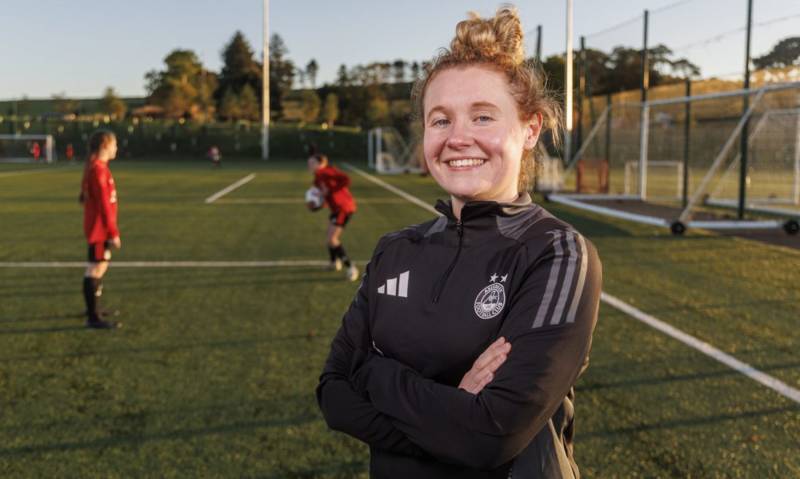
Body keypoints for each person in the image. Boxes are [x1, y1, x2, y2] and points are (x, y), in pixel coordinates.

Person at [316, 7, 602, 478]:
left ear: (529, 129)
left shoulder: (556, 252)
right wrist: (452, 406)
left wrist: (376, 374)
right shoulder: (395, 250)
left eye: (483, 116)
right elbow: (333, 394)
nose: (458, 138)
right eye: (440, 120)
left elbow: (492, 435)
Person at [79, 130, 122, 329]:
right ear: (105, 146)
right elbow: (104, 204)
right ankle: (92, 317)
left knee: (100, 266)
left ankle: (94, 308)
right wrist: (113, 232)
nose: (117, 148)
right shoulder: (97, 170)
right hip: (99, 229)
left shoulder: (99, 167)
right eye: (114, 144)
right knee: (95, 268)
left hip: (99, 227)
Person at [308, 153, 359, 281]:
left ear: (321, 163)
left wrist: (331, 190)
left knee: (332, 239)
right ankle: (334, 263)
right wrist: (316, 206)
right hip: (336, 209)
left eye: (312, 163)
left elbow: (346, 179)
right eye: (309, 163)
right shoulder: (317, 178)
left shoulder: (327, 172)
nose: (309, 165)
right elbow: (324, 197)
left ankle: (351, 267)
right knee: (329, 237)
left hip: (344, 208)